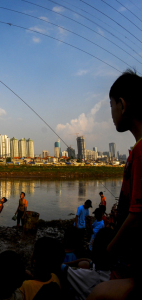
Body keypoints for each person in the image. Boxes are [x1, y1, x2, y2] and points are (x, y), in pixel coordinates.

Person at [88, 70, 142, 300]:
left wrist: (108, 251)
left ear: (122, 104)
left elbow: (136, 215)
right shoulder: (135, 151)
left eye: (111, 106)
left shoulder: (140, 151)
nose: (110, 113)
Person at [62, 228, 114, 300]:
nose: (92, 241)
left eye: (94, 240)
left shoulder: (87, 276)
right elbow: (88, 260)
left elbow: (60, 266)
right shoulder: (107, 271)